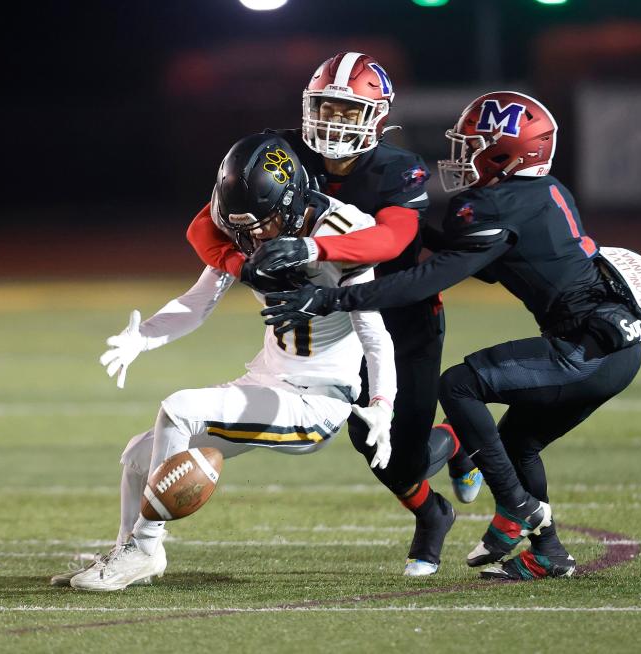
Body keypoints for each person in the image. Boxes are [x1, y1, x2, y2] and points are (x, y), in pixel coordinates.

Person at [261, 91, 641, 580]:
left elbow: (432, 278)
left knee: (458, 384)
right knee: (517, 446)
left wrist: (333, 298)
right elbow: (487, 263)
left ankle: (515, 509)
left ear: (506, 151)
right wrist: (410, 232)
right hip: (612, 351)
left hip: (583, 350)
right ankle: (549, 554)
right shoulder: (546, 191)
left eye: (473, 143)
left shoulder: (492, 205)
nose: (460, 154)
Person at [51, 134, 397, 591]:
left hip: (319, 401)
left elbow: (375, 332)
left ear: (291, 203)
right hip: (269, 377)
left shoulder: (341, 235)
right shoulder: (248, 227)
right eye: (243, 228)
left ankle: (145, 546)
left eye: (263, 225)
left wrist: (383, 403)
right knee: (139, 456)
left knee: (179, 407)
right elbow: (199, 301)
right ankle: (129, 552)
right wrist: (144, 337)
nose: (252, 237)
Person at [187, 51, 481, 577]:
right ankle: (432, 513)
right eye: (325, 106)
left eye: (347, 111)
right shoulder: (284, 151)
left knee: (404, 451)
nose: (333, 120)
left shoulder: (397, 167)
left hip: (399, 313)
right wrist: (239, 263)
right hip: (329, 316)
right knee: (369, 438)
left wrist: (313, 251)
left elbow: (396, 238)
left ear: (376, 116)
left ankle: (456, 442)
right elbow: (203, 226)